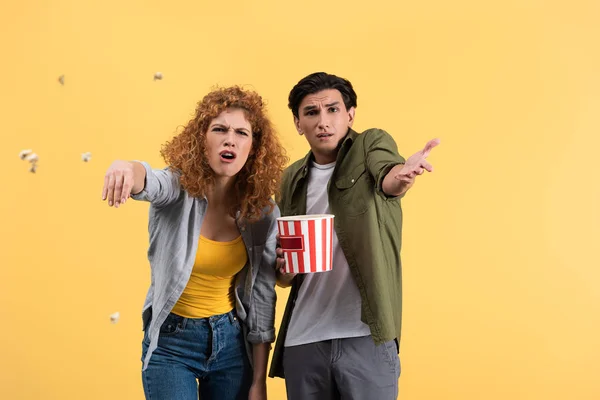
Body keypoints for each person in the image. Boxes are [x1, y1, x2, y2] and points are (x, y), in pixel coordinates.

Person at [101, 86, 288, 400]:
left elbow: (262, 299)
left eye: (242, 132)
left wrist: (259, 380)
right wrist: (125, 167)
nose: (230, 139)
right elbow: (148, 180)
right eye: (219, 129)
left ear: (254, 147)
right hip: (172, 344)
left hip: (232, 344)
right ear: (202, 138)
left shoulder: (263, 212)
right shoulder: (177, 188)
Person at [269, 72, 440, 400]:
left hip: (365, 336)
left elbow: (387, 176)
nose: (323, 122)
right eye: (311, 113)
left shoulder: (369, 145)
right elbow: (283, 276)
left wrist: (402, 175)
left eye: (333, 110)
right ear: (297, 122)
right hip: (303, 339)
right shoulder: (289, 178)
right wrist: (285, 269)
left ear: (350, 114)